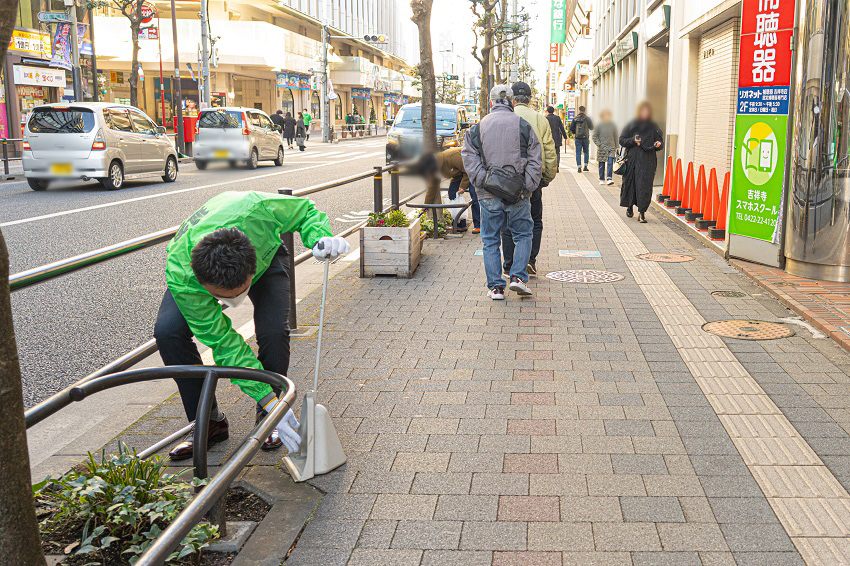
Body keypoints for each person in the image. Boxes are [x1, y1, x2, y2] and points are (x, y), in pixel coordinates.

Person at [155, 191, 350, 461]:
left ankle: (268, 415)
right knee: (168, 333)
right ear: (202, 283)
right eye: (222, 296)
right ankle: (207, 421)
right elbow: (225, 344)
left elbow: (304, 210)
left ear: (251, 267)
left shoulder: (255, 210)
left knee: (272, 330)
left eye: (240, 291)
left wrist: (319, 238)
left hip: (266, 257)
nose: (234, 300)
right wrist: (265, 395)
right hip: (195, 270)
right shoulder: (184, 276)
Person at [462, 85, 542, 300]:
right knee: (523, 234)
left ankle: (496, 288)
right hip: (518, 192)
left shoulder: (477, 128)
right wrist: (527, 186)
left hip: (488, 193)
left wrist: (482, 180)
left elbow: (469, 158)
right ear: (512, 102)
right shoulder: (523, 125)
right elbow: (536, 158)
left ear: (491, 102)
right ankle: (517, 277)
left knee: (490, 240)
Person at [502, 81, 556, 277]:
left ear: (512, 98)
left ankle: (509, 265)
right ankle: (530, 260)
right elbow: (549, 151)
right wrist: (547, 176)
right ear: (530, 98)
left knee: (508, 221)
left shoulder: (505, 117)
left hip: (507, 179)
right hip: (534, 179)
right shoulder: (541, 119)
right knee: (534, 220)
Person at [619, 101, 664, 223]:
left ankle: (642, 212)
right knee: (631, 184)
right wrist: (633, 141)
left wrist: (658, 145)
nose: (645, 113)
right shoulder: (631, 124)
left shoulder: (653, 126)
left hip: (648, 161)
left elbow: (660, 142)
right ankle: (629, 206)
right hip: (632, 161)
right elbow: (622, 140)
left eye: (647, 111)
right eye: (643, 111)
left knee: (645, 186)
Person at [417, 147, 481, 233]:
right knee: (452, 194)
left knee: (474, 196)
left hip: (472, 171)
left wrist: (463, 187)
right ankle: (461, 225)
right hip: (458, 175)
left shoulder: (451, 157)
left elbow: (467, 170)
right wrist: (426, 204)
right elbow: (433, 186)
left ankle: (478, 225)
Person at [593, 109, 618, 186]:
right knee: (601, 164)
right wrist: (599, 144)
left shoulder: (613, 125)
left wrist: (617, 146)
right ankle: (601, 179)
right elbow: (594, 136)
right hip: (602, 148)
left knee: (610, 162)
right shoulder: (599, 125)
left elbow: (616, 136)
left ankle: (609, 178)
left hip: (611, 147)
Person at [570, 106, 593, 172]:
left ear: (579, 110)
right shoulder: (588, 118)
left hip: (577, 138)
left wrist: (575, 132)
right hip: (585, 137)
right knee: (586, 152)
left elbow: (571, 128)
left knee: (578, 152)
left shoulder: (575, 118)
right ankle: (585, 166)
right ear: (584, 110)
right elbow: (592, 127)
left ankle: (579, 167)